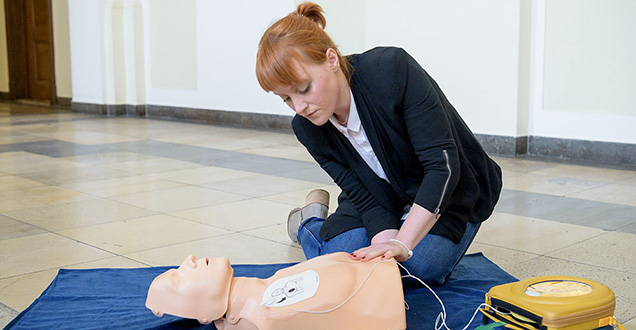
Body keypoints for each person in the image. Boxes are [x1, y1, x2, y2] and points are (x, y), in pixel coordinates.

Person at [255, 2, 502, 285]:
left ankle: (311, 225)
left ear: (332, 59)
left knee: (418, 268)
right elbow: (367, 197)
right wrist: (384, 250)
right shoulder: (308, 129)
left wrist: (402, 244)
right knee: (344, 264)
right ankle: (311, 221)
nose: (299, 106)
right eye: (286, 98)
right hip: (383, 194)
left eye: (304, 88)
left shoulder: (391, 70)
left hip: (450, 191)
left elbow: (442, 168)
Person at [146, 252, 406, 330]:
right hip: (386, 293)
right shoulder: (265, 317)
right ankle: (308, 221)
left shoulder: (267, 291)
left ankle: (309, 219)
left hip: (381, 269)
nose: (188, 260)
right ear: (204, 315)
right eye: (179, 278)